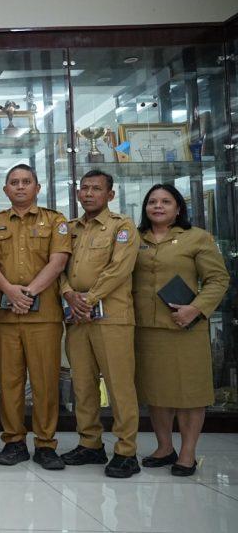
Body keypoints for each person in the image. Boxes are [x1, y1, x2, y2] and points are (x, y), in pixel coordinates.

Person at [133, 183, 229, 477]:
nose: (158, 206)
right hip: (146, 328)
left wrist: (195, 309)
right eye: (152, 202)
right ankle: (164, 448)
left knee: (190, 393)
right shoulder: (135, 238)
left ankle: (187, 453)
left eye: (165, 202)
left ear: (178, 209)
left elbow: (218, 279)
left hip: (184, 327)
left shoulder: (197, 237)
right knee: (157, 392)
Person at [0, 164, 70, 471]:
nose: (20, 186)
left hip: (44, 316)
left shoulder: (55, 221)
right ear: (5, 189)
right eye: (14, 182)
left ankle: (45, 444)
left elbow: (58, 262)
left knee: (45, 381)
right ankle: (13, 441)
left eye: (26, 181)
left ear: (37, 187)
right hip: (6, 315)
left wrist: (27, 293)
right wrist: (10, 291)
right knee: (9, 381)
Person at [59, 170, 141, 478]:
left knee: (119, 386)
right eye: (84, 188)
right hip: (77, 318)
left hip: (112, 318)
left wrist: (89, 299)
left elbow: (119, 269)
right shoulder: (69, 229)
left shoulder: (122, 227)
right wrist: (68, 294)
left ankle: (126, 450)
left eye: (96, 188)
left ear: (110, 195)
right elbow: (58, 266)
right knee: (82, 384)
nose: (89, 193)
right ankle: (90, 443)